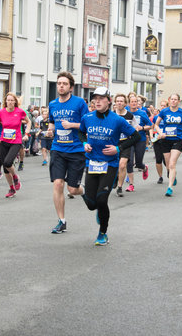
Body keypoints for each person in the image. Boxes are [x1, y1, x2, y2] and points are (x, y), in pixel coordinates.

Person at [79, 87, 140, 245]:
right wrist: (84, 143)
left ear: (109, 100)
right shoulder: (87, 117)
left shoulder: (117, 120)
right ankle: (98, 208)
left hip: (110, 164)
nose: (97, 101)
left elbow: (136, 136)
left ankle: (103, 233)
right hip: (92, 163)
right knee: (92, 205)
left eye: (101, 98)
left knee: (101, 199)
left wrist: (118, 148)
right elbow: (80, 132)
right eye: (95, 98)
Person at [46, 72, 89, 234]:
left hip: (76, 150)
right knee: (58, 183)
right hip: (58, 149)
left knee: (72, 189)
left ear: (71, 87)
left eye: (64, 83)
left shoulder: (79, 103)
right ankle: (61, 221)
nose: (61, 86)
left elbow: (87, 124)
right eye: (59, 83)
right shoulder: (53, 104)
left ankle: (82, 190)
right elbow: (52, 122)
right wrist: (50, 131)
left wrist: (72, 125)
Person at [0, 92, 31, 198]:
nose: (9, 102)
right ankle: (12, 188)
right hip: (3, 141)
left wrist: (26, 134)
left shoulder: (20, 112)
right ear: (5, 102)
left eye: (11, 100)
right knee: (5, 168)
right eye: (8, 100)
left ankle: (15, 176)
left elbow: (29, 122)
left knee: (8, 162)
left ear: (15, 102)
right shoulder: (1, 112)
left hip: (16, 141)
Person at [155, 93, 182, 196]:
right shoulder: (164, 111)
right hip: (166, 140)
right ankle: (172, 175)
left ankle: (170, 187)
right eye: (172, 99)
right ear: (169, 100)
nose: (173, 101)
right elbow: (156, 124)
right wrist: (160, 133)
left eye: (175, 99)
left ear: (178, 101)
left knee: (172, 164)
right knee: (168, 165)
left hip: (178, 140)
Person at [125, 94, 151, 192]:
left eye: (136, 101)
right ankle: (131, 185)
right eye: (132, 101)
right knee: (129, 162)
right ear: (129, 103)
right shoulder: (125, 112)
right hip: (129, 139)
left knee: (138, 163)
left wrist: (142, 128)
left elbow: (150, 125)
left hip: (140, 139)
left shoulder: (142, 113)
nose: (134, 103)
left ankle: (144, 168)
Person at [113, 94, 137, 197]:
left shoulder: (130, 116)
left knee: (122, 165)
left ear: (125, 103)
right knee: (114, 166)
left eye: (121, 101)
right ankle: (115, 178)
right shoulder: (111, 115)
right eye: (117, 101)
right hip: (113, 143)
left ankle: (119, 187)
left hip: (125, 143)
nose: (119, 103)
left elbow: (135, 128)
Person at [152, 99, 168, 184]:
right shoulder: (156, 117)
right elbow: (153, 127)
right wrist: (152, 136)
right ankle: (160, 176)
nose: (162, 107)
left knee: (166, 160)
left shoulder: (169, 117)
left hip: (167, 140)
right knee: (158, 159)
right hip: (157, 140)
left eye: (164, 106)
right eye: (161, 106)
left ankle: (170, 172)